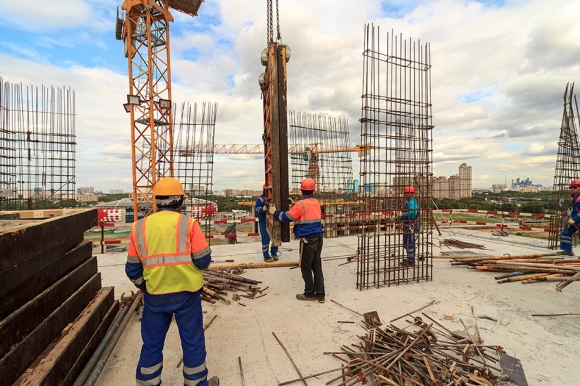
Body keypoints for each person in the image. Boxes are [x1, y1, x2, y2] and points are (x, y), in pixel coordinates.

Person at [125, 177, 219, 386]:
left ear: (156, 201)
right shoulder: (189, 224)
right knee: (192, 342)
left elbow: (132, 269)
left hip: (155, 296)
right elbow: (203, 261)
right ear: (180, 201)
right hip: (186, 295)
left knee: (151, 344)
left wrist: (146, 286)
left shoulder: (138, 227)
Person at [271, 178, 325, 303]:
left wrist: (275, 212)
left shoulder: (299, 205)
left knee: (305, 267)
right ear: (314, 190)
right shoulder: (316, 202)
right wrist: (295, 203)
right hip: (318, 238)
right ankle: (321, 295)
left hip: (307, 240)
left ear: (301, 190)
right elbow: (306, 211)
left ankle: (309, 294)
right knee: (317, 267)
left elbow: (287, 217)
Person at [255, 183, 279, 262]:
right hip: (263, 222)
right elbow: (257, 209)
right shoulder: (260, 199)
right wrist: (263, 209)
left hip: (274, 220)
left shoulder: (275, 198)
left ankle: (274, 252)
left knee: (275, 237)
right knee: (265, 238)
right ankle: (266, 255)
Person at [560, 179, 580, 257]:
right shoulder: (573, 198)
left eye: (574, 187)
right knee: (566, 233)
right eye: (571, 187)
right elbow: (571, 209)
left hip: (577, 220)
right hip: (573, 220)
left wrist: (574, 219)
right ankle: (567, 250)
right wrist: (567, 219)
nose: (572, 189)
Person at [401, 186, 419, 266]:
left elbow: (413, 213)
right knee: (406, 242)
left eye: (406, 193)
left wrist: (403, 214)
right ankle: (409, 258)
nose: (404, 194)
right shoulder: (408, 202)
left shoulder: (412, 202)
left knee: (410, 243)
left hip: (410, 225)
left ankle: (411, 261)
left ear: (410, 193)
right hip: (406, 224)